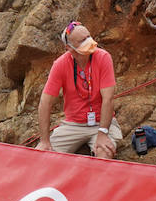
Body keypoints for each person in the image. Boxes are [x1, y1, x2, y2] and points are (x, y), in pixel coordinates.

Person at [35, 21, 121, 159]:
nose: (89, 42)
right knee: (45, 156)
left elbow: (108, 99)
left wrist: (103, 133)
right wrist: (44, 140)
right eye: (82, 40)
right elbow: (45, 103)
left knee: (104, 153)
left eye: (89, 36)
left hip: (101, 123)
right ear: (69, 47)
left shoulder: (103, 57)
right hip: (73, 124)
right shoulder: (60, 65)